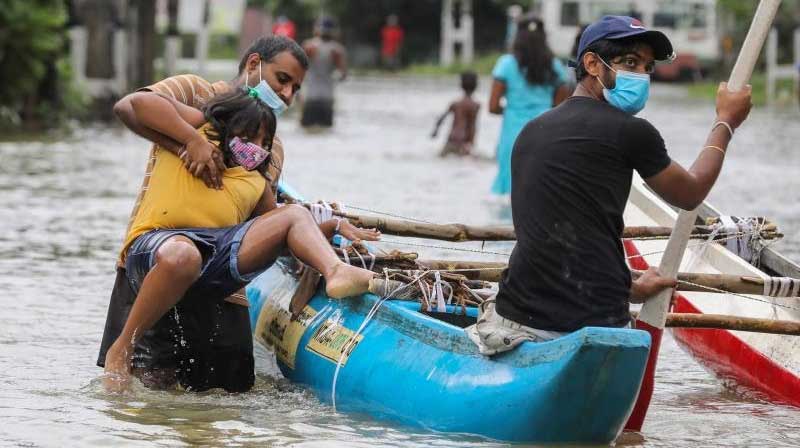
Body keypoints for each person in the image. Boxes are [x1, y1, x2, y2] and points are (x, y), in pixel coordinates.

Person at [467, 16, 752, 355]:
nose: (641, 76)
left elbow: (564, 240)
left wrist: (630, 286)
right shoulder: (631, 132)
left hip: (514, 319)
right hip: (593, 322)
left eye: (647, 67)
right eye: (630, 62)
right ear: (591, 63)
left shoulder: (530, 130)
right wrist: (725, 122)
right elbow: (690, 193)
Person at [97, 36, 337, 392]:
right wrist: (189, 143)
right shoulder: (195, 93)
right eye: (282, 79)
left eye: (295, 89)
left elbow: (263, 217)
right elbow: (131, 107)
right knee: (147, 392)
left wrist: (318, 231)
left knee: (224, 402)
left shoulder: (269, 148)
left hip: (223, 288)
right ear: (254, 64)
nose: (287, 95)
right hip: (159, 262)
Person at [488, 15, 570, 196]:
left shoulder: (506, 64)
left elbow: (493, 106)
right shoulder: (555, 66)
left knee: (508, 191)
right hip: (546, 134)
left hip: (512, 136)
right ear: (544, 37)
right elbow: (562, 107)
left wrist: (513, 110)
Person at [300, 17, 347, 128]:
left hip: (310, 96)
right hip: (327, 98)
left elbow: (298, 71)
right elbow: (343, 75)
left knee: (306, 131)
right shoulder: (337, 50)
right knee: (326, 131)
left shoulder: (308, 46)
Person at [431, 71, 480, 157]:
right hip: (464, 141)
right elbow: (472, 126)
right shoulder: (475, 106)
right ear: (476, 86)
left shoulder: (455, 104)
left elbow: (441, 118)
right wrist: (471, 143)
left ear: (461, 85)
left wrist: (435, 131)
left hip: (451, 140)